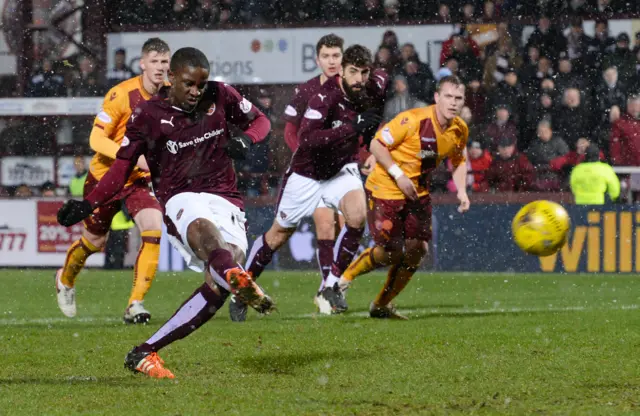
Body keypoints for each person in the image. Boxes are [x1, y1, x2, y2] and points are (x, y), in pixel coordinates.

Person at [56, 47, 274, 379]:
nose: (195, 92)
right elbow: (121, 167)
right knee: (207, 238)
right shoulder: (147, 114)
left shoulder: (220, 94)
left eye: (200, 85)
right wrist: (90, 203)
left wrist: (246, 139)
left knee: (217, 280)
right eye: (188, 84)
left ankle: (144, 351)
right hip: (180, 198)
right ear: (171, 77)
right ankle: (233, 276)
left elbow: (262, 121)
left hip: (227, 199)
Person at [243, 45, 387, 316]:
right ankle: (243, 287)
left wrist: (366, 143)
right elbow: (307, 140)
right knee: (278, 235)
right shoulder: (324, 97)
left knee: (356, 218)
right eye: (352, 72)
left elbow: (379, 97)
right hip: (306, 174)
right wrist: (352, 127)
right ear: (341, 71)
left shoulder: (374, 85)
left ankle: (330, 285)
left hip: (341, 170)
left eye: (363, 73)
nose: (358, 79)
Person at [54, 38, 171, 324]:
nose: (159, 68)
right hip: (105, 176)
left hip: (139, 182)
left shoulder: (172, 96)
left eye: (164, 62)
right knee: (94, 241)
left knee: (153, 227)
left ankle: (135, 304)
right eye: (154, 61)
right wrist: (130, 156)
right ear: (142, 64)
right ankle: (65, 280)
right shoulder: (121, 94)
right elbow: (96, 139)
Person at [340, 75, 470, 319]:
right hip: (386, 189)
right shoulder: (413, 119)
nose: (453, 102)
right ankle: (343, 280)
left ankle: (381, 305)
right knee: (391, 251)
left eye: (458, 98)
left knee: (417, 249)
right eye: (448, 97)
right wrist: (398, 174)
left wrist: (461, 191)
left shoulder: (459, 129)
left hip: (418, 194)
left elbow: (459, 160)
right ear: (437, 98)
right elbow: (377, 144)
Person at [279, 34, 353, 306]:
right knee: (324, 226)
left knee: (350, 224)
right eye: (327, 56)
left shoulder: (353, 89)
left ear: (343, 58)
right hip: (316, 172)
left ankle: (338, 283)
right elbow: (289, 129)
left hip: (345, 168)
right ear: (318, 59)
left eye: (336, 56)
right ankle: (327, 289)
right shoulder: (306, 91)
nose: (332, 61)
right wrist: (305, 153)